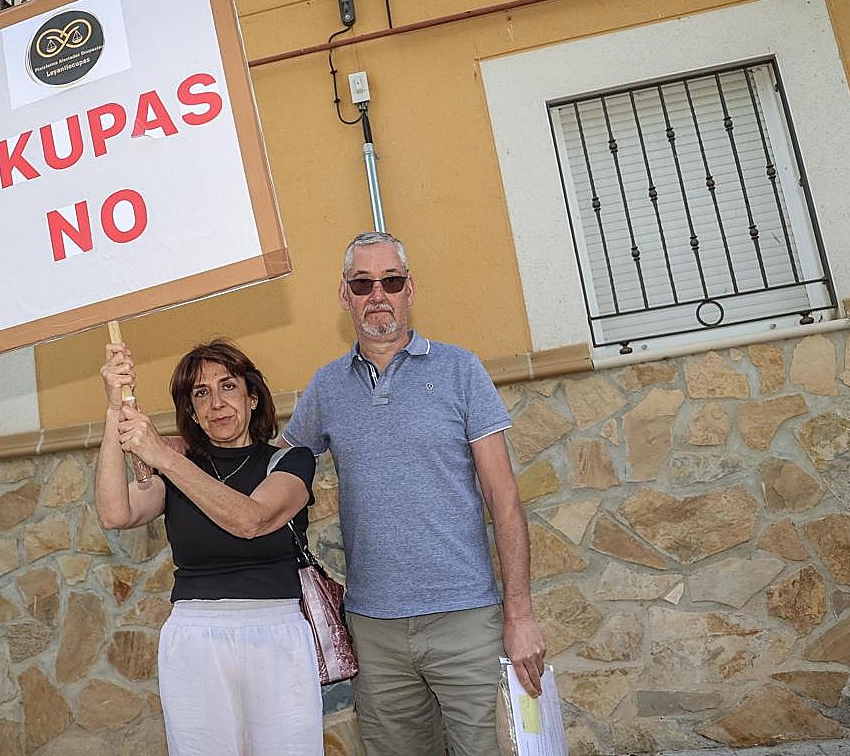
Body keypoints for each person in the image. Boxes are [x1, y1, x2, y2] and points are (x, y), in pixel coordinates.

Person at [282, 231, 546, 756]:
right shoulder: (327, 387)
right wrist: (191, 452)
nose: (377, 293)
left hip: (466, 620)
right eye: (362, 283)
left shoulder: (460, 370)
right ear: (344, 295)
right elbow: (280, 469)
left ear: (410, 290)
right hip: (375, 631)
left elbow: (505, 500)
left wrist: (519, 615)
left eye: (391, 280)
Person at [96, 338, 323, 756]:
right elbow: (115, 513)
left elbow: (251, 520)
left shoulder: (290, 462)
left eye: (228, 386)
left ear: (253, 397)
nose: (216, 402)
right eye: (201, 393)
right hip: (194, 637)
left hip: (276, 635)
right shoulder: (178, 471)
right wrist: (114, 411)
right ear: (193, 412)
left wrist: (163, 457)